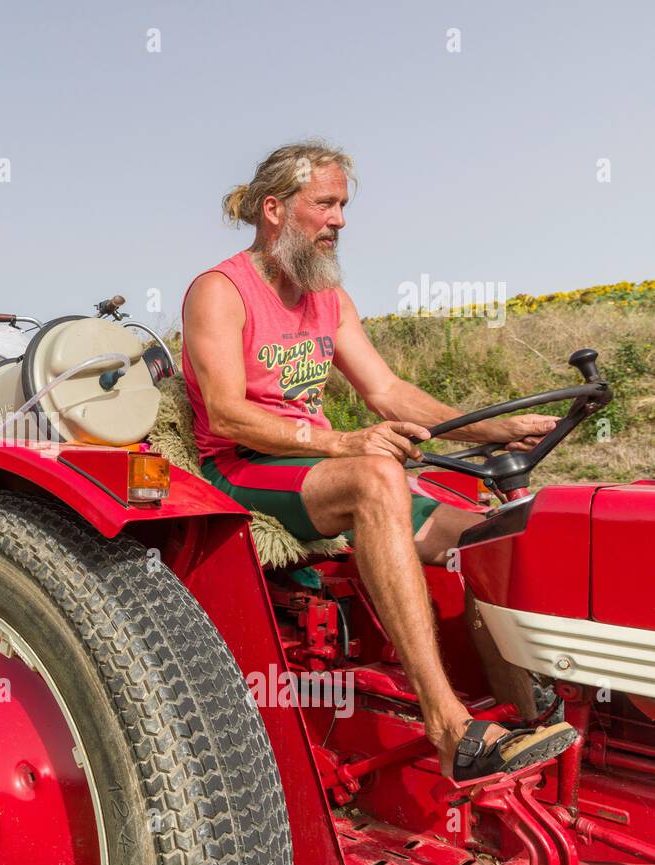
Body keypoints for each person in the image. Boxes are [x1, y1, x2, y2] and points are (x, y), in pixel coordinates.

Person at [182, 140, 578, 781]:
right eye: (326, 204)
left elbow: (387, 392)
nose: (340, 219)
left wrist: (492, 425)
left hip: (313, 465)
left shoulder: (326, 298)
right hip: (244, 469)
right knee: (375, 477)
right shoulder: (220, 291)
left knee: (485, 534)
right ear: (276, 209)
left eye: (343, 205)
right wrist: (343, 442)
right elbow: (226, 413)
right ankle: (449, 728)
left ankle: (531, 712)